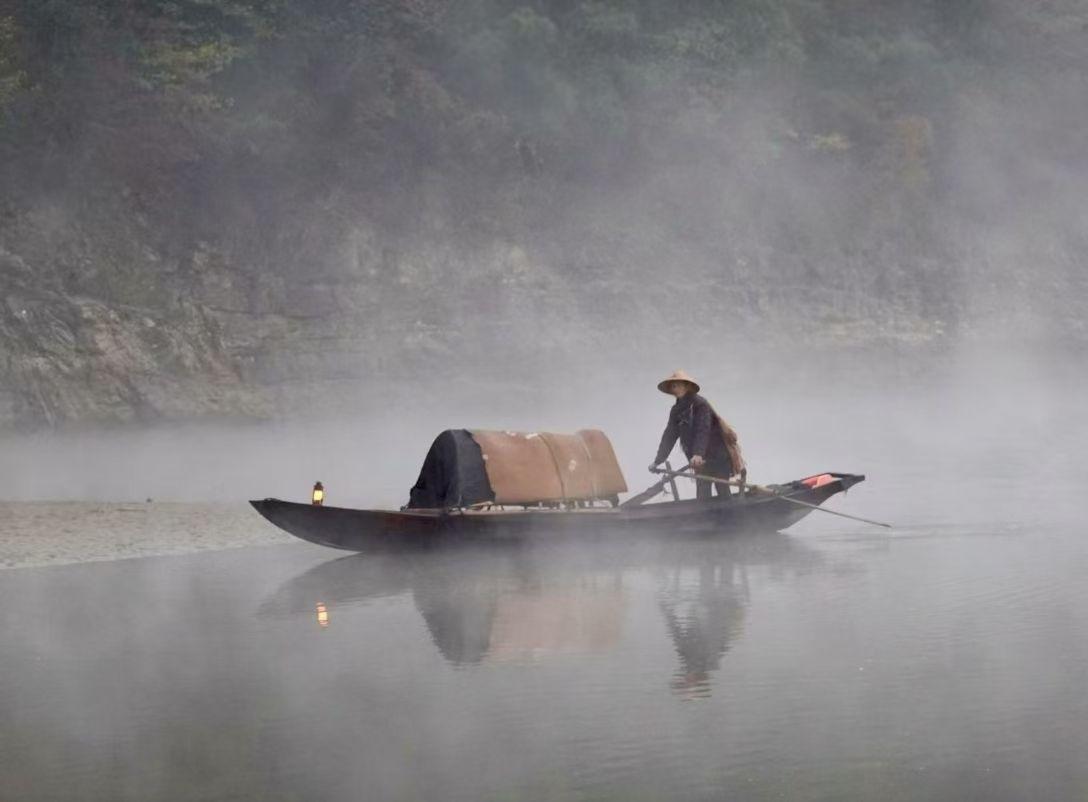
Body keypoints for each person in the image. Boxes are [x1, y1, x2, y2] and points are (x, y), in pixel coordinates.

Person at [649, 370, 744, 501]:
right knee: (702, 496)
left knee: (722, 490)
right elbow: (669, 436)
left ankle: (730, 519)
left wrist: (698, 453)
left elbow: (703, 429)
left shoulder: (700, 404)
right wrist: (657, 461)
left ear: (686, 386)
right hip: (700, 461)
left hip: (718, 456)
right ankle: (706, 521)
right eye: (672, 385)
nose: (673, 387)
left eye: (676, 384)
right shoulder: (676, 410)